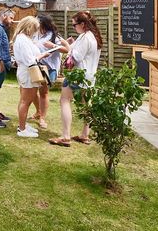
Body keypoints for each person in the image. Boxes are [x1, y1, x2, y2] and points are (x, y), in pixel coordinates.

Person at [49, 10, 102, 148]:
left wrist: (66, 47)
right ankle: (85, 135)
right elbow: (74, 49)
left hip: (78, 75)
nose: (74, 27)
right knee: (87, 105)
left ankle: (66, 136)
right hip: (90, 77)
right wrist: (63, 45)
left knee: (64, 100)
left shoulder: (85, 37)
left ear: (83, 24)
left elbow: (76, 57)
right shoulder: (94, 36)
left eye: (74, 25)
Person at [29, 13, 70, 130]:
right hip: (36, 66)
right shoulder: (35, 34)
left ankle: (42, 118)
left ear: (43, 24)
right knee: (32, 90)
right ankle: (38, 112)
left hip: (49, 69)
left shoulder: (53, 36)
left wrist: (52, 45)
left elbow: (66, 50)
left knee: (43, 92)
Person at [11, 16, 42, 138]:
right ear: (29, 28)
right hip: (28, 71)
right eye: (35, 29)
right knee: (26, 101)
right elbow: (30, 60)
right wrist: (41, 56)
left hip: (26, 71)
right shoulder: (22, 40)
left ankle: (22, 125)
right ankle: (22, 129)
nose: (36, 32)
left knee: (25, 100)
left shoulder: (23, 39)